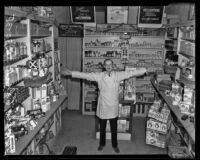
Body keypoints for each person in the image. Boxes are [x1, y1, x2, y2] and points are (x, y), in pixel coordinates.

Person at [61, 59, 147, 153]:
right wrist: (71, 73)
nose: (109, 66)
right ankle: (102, 144)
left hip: (113, 106)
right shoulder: (99, 76)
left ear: (113, 66)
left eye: (110, 64)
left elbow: (131, 73)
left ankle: (115, 145)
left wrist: (144, 70)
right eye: (107, 65)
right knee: (102, 128)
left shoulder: (118, 75)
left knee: (114, 128)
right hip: (103, 106)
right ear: (104, 66)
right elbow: (85, 75)